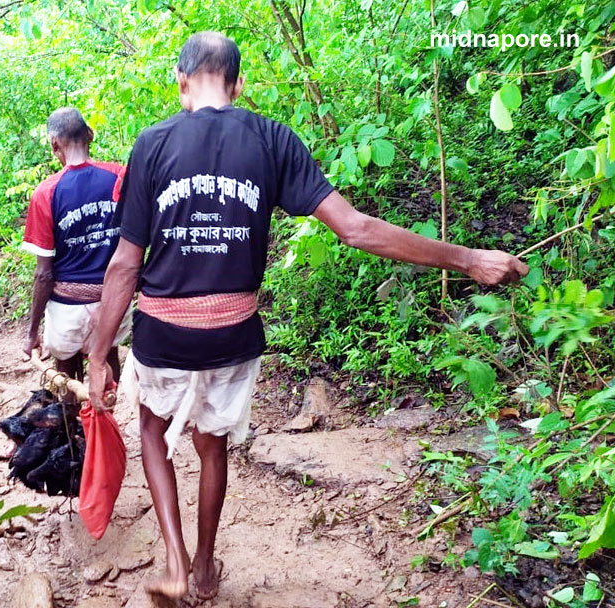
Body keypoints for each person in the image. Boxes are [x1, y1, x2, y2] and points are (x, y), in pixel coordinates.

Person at [86, 32, 530, 601]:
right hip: (233, 335)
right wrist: (468, 259)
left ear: (181, 83)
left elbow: (126, 263)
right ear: (239, 84)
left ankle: (172, 556)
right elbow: (356, 228)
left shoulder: (151, 144)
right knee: (212, 442)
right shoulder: (272, 138)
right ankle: (203, 566)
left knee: (152, 429)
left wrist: (99, 355)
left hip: (164, 335)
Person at [21, 107, 130, 387]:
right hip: (113, 300)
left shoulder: (46, 192)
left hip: (68, 309)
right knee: (108, 356)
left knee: (66, 377)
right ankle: (104, 423)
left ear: (54, 144)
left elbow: (44, 274)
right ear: (90, 135)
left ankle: (73, 427)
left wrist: (32, 331)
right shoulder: (120, 176)